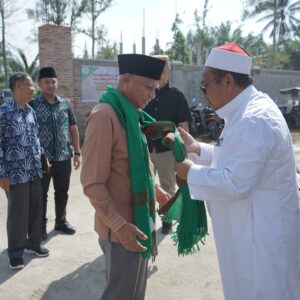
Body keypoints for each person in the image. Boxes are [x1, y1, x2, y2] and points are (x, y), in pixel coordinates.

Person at [175, 42, 300, 300]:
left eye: (205, 84)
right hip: (250, 231)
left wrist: (191, 172)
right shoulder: (245, 111)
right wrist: (199, 149)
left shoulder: (255, 118)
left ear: (228, 82)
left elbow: (235, 182)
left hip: (262, 239)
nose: (203, 92)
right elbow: (236, 158)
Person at [81, 54, 169, 300]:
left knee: (134, 294)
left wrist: (155, 188)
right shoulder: (105, 115)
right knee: (121, 294)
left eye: (156, 88)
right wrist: (120, 226)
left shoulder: (131, 113)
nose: (153, 95)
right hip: (122, 230)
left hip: (140, 222)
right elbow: (92, 183)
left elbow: (139, 162)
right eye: (149, 88)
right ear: (127, 80)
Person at [0, 72, 49, 270]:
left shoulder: (30, 111)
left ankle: (33, 243)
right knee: (18, 214)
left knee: (37, 209)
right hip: (15, 173)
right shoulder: (3, 112)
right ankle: (15, 252)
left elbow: (34, 137)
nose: (33, 89)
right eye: (29, 85)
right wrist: (2, 174)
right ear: (18, 87)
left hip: (34, 170)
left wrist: (43, 157)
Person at [30, 67, 80, 240]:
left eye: (53, 81)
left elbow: (73, 128)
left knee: (62, 191)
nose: (50, 85)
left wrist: (77, 152)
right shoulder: (33, 105)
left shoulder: (65, 104)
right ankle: (40, 226)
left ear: (57, 82)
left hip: (64, 155)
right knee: (40, 194)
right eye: (46, 82)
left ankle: (61, 221)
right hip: (42, 159)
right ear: (40, 84)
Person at [144, 54, 192, 234]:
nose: (158, 74)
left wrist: (182, 150)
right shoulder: (144, 91)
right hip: (145, 147)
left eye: (162, 70)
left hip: (166, 150)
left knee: (167, 185)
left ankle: (167, 219)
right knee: (146, 186)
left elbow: (183, 125)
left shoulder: (177, 95)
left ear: (169, 71)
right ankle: (148, 220)